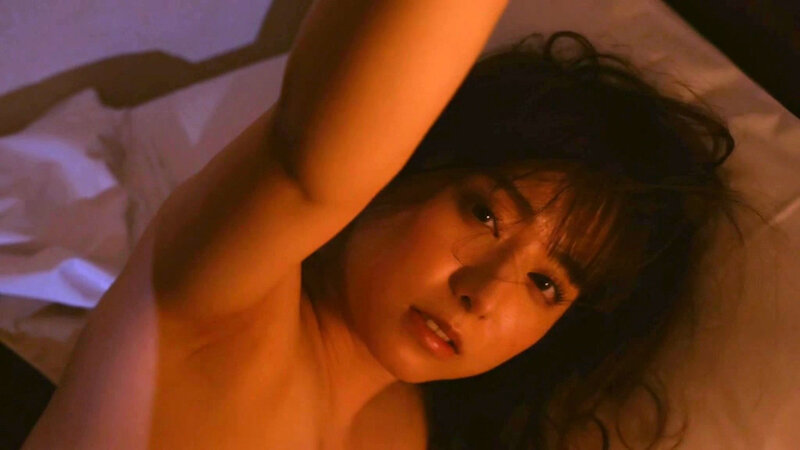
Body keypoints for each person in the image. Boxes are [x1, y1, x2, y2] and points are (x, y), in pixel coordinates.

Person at [23, 0, 737, 449]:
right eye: (485, 213)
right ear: (402, 167)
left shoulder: (435, 430)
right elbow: (314, 156)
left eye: (546, 284)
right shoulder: (226, 308)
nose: (483, 291)